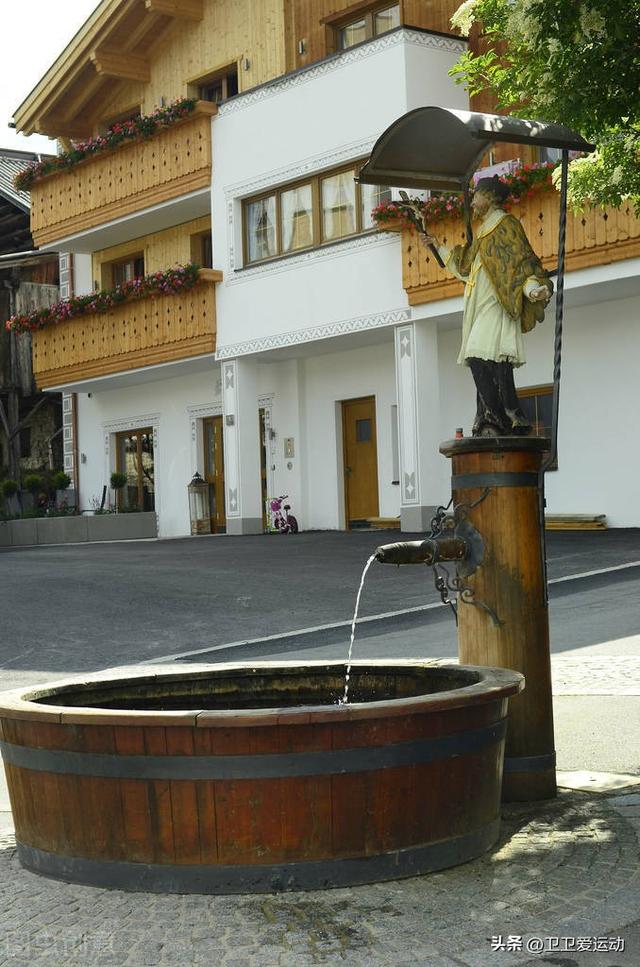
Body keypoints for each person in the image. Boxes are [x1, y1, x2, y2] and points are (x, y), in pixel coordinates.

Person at [421, 175, 553, 436]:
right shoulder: (482, 233)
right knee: (494, 363)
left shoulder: (507, 225)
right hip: (480, 306)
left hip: (498, 304)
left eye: (477, 195)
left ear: (490, 197)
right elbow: (466, 268)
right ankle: (509, 414)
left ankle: (501, 415)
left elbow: (522, 265)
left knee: (477, 355)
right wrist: (438, 246)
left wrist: (533, 289)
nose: (473, 200)